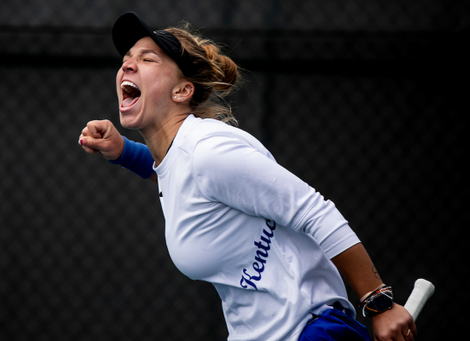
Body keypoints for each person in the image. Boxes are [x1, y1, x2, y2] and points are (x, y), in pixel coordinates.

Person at [79, 12, 416, 341]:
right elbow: (184, 182)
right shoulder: (184, 158)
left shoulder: (207, 152)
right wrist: (123, 151)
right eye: (126, 58)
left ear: (182, 91)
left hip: (312, 329)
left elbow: (314, 211)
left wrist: (378, 302)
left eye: (147, 58)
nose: (127, 64)